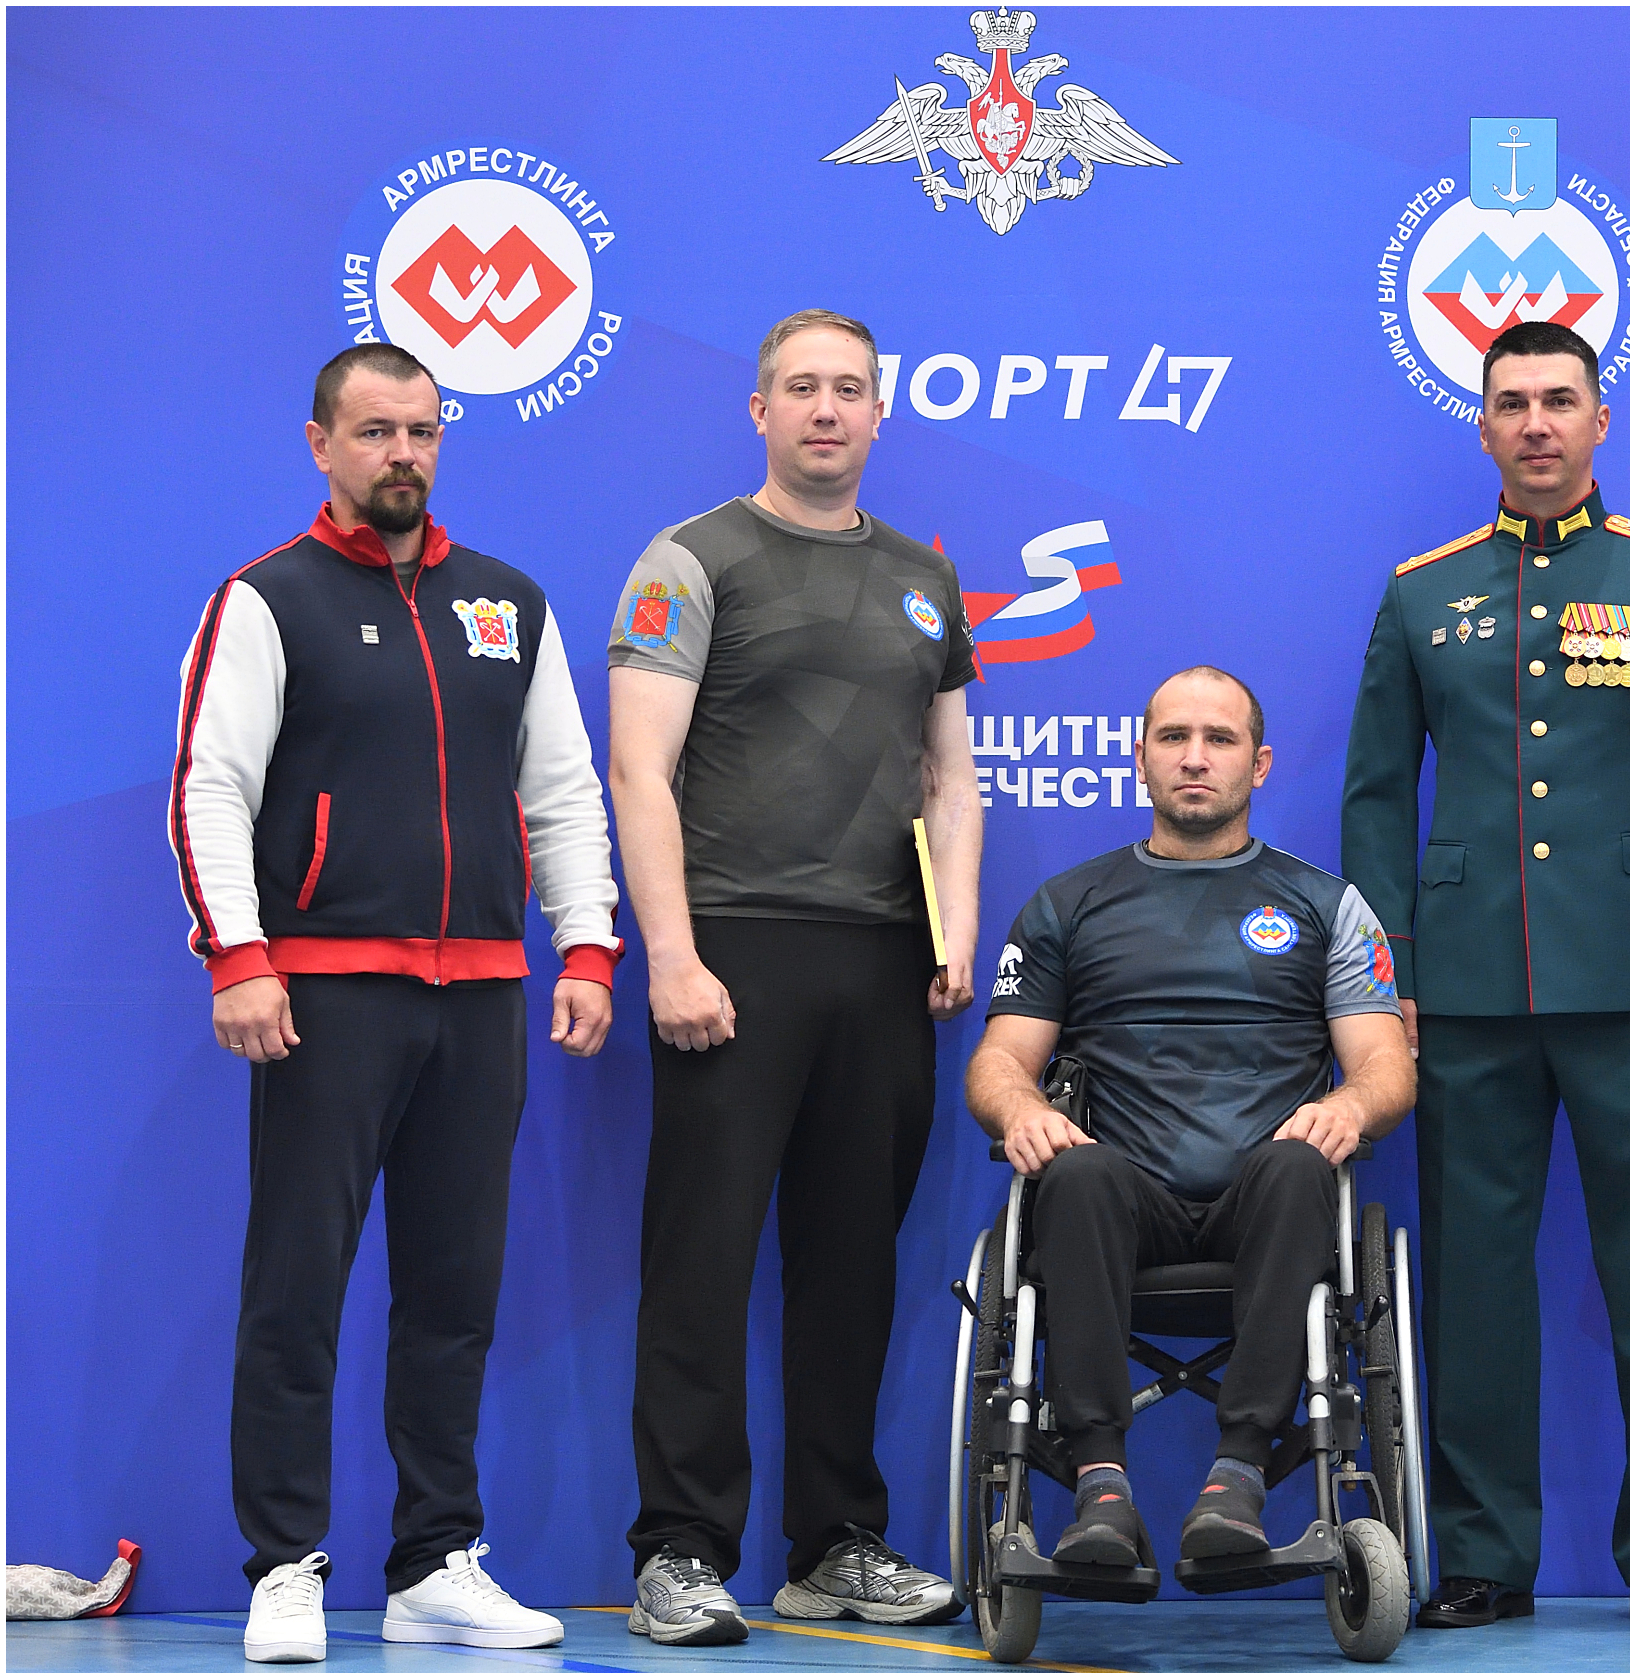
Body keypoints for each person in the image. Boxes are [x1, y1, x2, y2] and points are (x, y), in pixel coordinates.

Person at [171, 343, 621, 1662]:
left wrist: (586, 944)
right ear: (321, 443)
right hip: (322, 995)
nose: (402, 454)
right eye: (374, 431)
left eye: (421, 431)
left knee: (452, 1292)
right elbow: (210, 785)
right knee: (297, 1286)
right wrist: (238, 954)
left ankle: (434, 1561)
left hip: (480, 995)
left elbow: (562, 789)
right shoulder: (269, 598)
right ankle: (285, 1564)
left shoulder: (508, 603)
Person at [1339, 319, 1630, 1631]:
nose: (1536, 422)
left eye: (1559, 400)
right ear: (1482, 425)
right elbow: (1374, 798)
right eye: (1513, 401)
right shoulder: (1422, 591)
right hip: (1466, 988)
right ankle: (1483, 1551)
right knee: (1474, 1282)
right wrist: (1386, 974)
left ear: (1600, 420)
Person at [608, 309, 980, 1643]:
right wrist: (670, 952)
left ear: (881, 412)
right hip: (732, 951)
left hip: (881, 960)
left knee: (851, 1265)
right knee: (701, 1262)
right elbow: (637, 767)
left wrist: (953, 928)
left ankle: (833, 1544)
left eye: (850, 389)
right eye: (803, 388)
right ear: (760, 410)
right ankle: (679, 1549)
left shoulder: (927, 578)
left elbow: (950, 775)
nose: (828, 409)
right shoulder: (693, 558)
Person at [965, 667, 1414, 1566]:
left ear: (1260, 763)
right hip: (1121, 1205)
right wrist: (1019, 1108)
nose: (1195, 758)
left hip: (1267, 1199)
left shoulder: (1327, 905)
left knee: (1302, 1162)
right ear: (1140, 759)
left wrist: (1349, 1103)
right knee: (1074, 1171)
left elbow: (1386, 1064)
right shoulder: (1066, 904)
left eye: (1219, 739)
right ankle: (1099, 1483)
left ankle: (1238, 1475)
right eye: (1173, 738)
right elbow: (999, 1061)